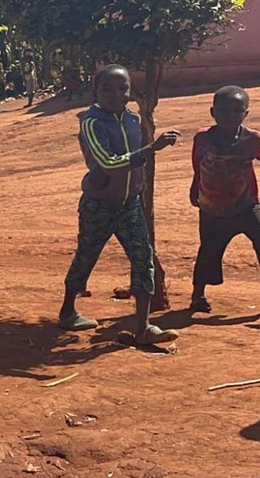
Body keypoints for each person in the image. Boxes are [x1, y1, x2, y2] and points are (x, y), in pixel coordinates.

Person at [58, 64, 181, 346]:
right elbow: (108, 163)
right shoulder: (91, 123)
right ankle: (68, 311)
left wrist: (139, 187)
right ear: (95, 91)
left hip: (129, 205)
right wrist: (152, 149)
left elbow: (134, 164)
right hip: (98, 205)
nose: (116, 94)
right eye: (108, 89)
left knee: (143, 259)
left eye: (123, 88)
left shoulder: (132, 120)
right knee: (86, 257)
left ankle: (144, 327)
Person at [189, 86, 260, 313]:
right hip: (212, 208)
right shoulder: (202, 138)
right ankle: (197, 296)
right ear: (213, 112)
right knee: (209, 250)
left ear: (245, 114)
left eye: (236, 111)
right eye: (223, 111)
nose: (230, 116)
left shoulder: (252, 139)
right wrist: (195, 190)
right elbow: (198, 165)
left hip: (246, 205)